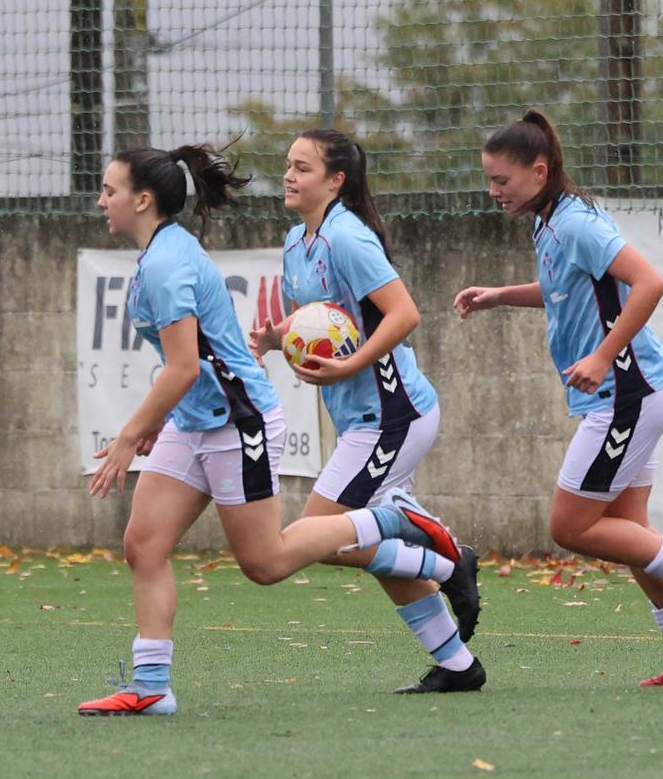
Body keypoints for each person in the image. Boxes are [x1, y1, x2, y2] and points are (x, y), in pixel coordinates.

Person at [77, 144, 464, 716]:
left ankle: (395, 521)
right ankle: (152, 685)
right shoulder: (163, 253)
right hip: (198, 420)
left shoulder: (165, 263)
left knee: (267, 564)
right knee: (143, 544)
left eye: (109, 190)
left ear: (141, 199)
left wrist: (134, 432)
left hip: (239, 422)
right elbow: (195, 363)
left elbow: (184, 366)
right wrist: (168, 416)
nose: (100, 200)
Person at [452, 109, 663, 687]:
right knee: (629, 531)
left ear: (538, 170)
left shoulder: (578, 222)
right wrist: (501, 295)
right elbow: (565, 291)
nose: (493, 192)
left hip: (627, 392)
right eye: (489, 179)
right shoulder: (548, 220)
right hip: (627, 394)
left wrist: (604, 354)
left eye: (501, 180)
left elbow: (650, 282)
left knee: (571, 526)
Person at [249, 129, 484, 694]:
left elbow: (403, 314)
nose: (288, 175)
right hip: (367, 420)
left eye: (302, 168)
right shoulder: (295, 241)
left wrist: (353, 366)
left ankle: (449, 561)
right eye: (288, 165)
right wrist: (276, 339)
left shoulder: (348, 239)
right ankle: (457, 666)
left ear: (335, 181)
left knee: (315, 537)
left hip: (392, 417)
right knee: (358, 546)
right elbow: (321, 322)